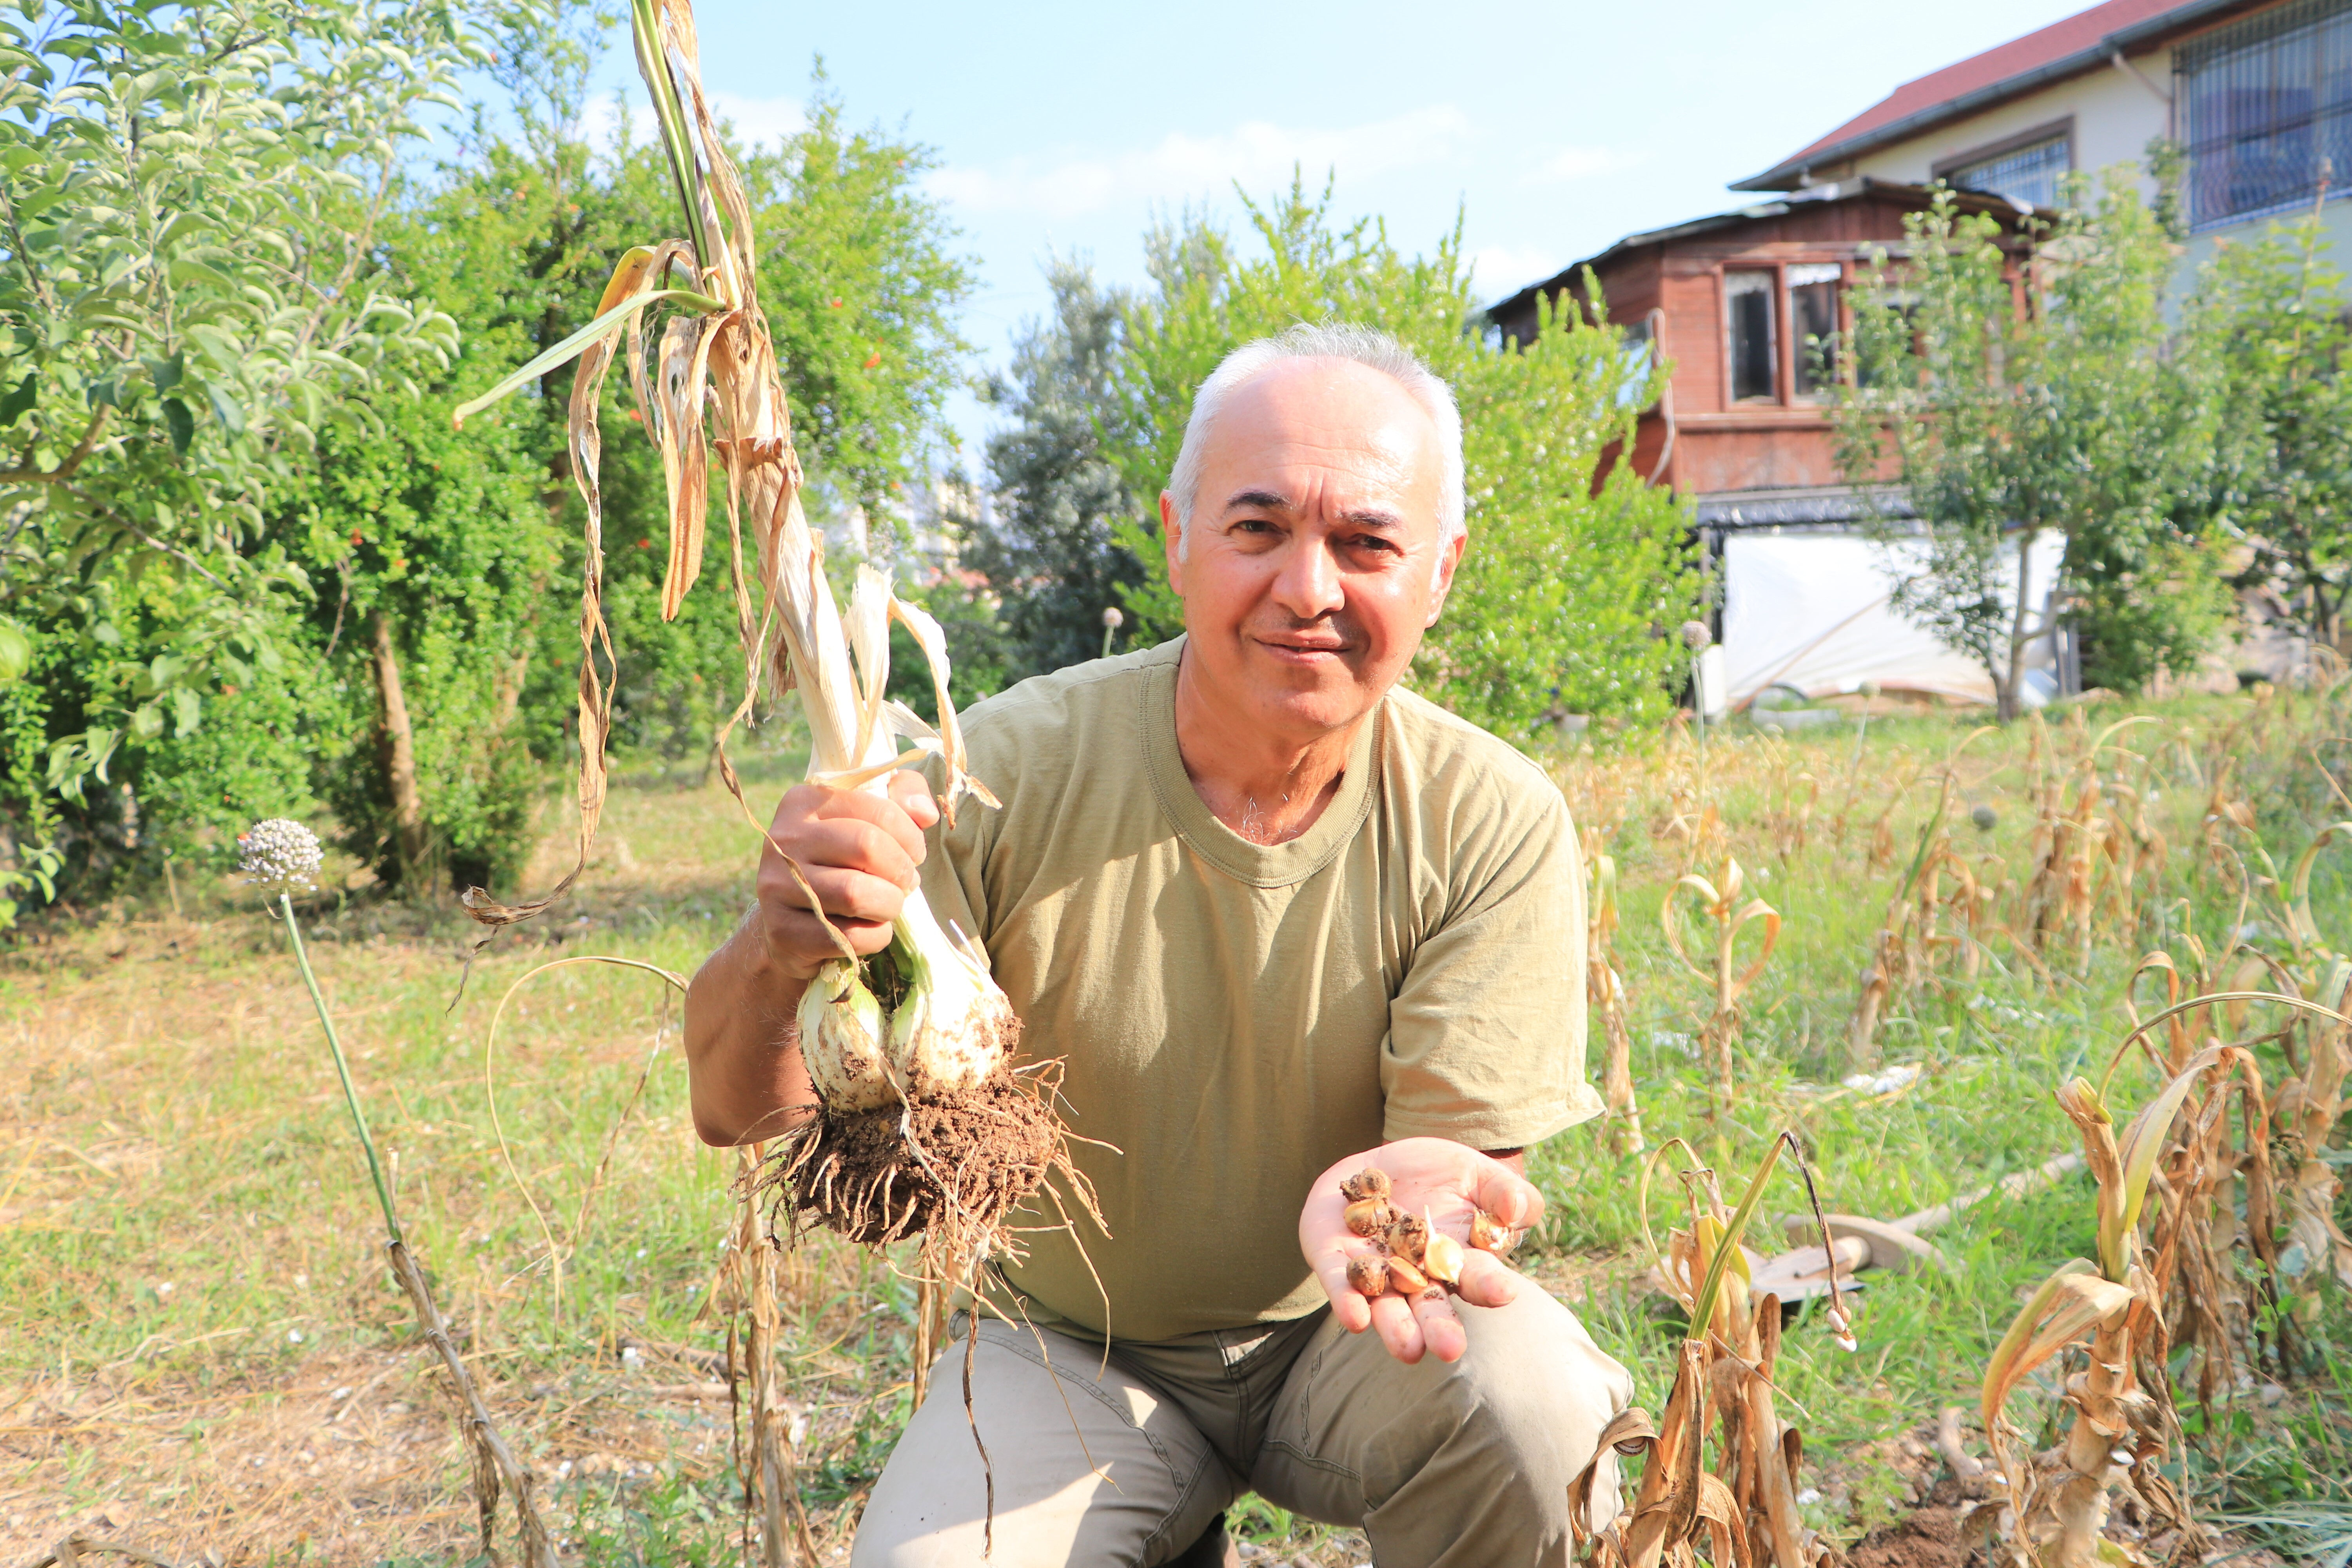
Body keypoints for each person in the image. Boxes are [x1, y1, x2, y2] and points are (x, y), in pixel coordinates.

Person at [684, 322, 1631, 1567]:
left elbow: (1450, 1153)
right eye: (1257, 529)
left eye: (1367, 543)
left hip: (1346, 1333)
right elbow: (738, 1110)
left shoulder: (1491, 816)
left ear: (1440, 572)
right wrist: (781, 943)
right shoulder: (999, 775)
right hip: (1071, 1349)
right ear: (1179, 542)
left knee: (1539, 1410)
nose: (1309, 589)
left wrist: (1414, 1200)